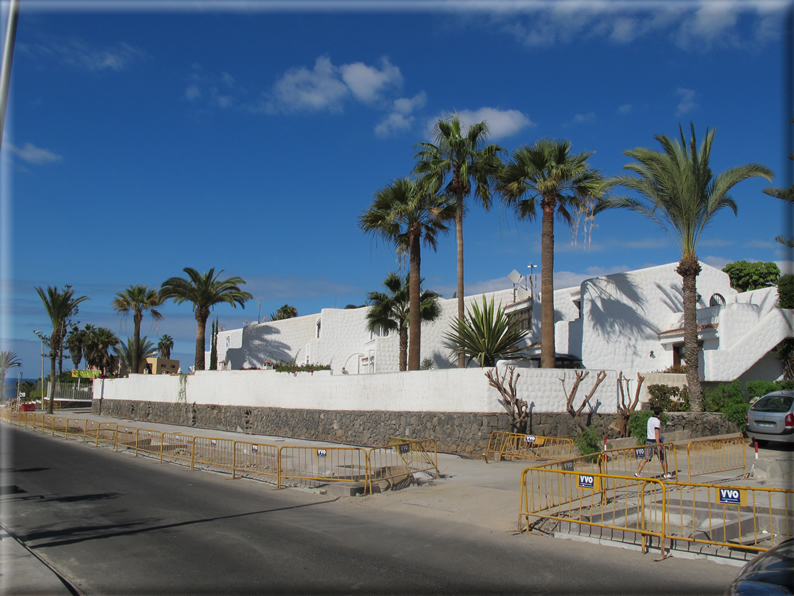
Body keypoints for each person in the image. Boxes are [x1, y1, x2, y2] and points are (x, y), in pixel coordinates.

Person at [635, 406, 672, 479]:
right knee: (663, 458)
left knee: (645, 458)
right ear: (660, 413)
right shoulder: (657, 421)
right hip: (655, 441)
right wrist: (659, 444)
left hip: (648, 441)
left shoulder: (650, 419)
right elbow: (657, 432)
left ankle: (638, 473)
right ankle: (666, 474)